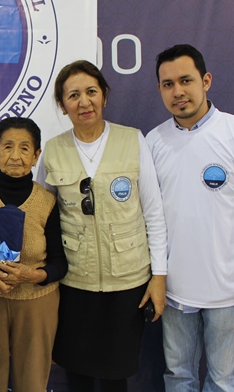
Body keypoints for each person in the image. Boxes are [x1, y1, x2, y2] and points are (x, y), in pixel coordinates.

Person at [146, 44, 234, 392]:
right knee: (178, 379)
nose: (178, 92)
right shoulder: (153, 143)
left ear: (206, 81)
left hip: (232, 293)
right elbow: (149, 220)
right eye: (167, 84)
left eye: (186, 80)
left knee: (223, 382)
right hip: (174, 293)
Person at [36, 60, 167, 392]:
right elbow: (40, 217)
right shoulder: (52, 150)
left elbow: (153, 213)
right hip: (74, 283)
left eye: (91, 92)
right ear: (62, 105)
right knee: (77, 371)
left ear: (104, 96)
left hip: (128, 282)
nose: (84, 102)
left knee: (115, 374)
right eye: (73, 95)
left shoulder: (132, 140)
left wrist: (159, 277)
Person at [0, 117, 68, 392]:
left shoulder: (47, 201)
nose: (15, 156)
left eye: (24, 148)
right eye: (7, 147)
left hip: (36, 304)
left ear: (36, 155)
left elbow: (59, 263)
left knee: (32, 382)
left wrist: (35, 274)